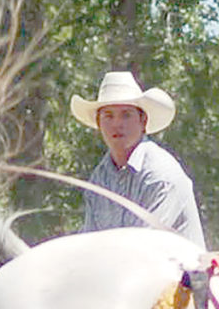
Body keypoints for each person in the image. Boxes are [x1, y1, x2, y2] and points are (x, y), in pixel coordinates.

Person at [74, 69, 206, 245]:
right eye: (108, 116)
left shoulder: (160, 174)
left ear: (143, 121)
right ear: (99, 123)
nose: (117, 124)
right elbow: (90, 244)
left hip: (171, 271)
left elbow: (145, 249)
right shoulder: (100, 178)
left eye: (126, 115)